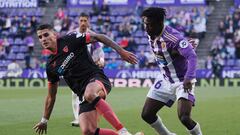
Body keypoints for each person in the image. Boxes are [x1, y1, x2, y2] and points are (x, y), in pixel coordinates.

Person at [33, 24, 143, 135]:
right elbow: (51, 96)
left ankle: (123, 131)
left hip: (96, 78)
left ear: (54, 34)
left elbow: (99, 37)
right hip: (82, 94)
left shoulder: (70, 39)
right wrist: (44, 120)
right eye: (40, 37)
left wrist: (120, 51)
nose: (43, 39)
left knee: (89, 94)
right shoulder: (50, 66)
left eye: (46, 35)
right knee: (88, 131)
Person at [140, 7, 203, 135]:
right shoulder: (151, 33)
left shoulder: (174, 38)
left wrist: (188, 78)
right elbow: (166, 51)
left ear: (160, 23)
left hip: (182, 81)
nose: (146, 28)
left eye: (149, 25)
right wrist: (175, 52)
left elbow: (192, 56)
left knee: (184, 117)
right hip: (165, 79)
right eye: (145, 24)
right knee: (147, 114)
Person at [70, 13, 105, 127]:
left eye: (85, 20)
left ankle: (90, 116)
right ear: (78, 21)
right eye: (81, 20)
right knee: (75, 95)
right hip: (76, 70)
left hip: (90, 70)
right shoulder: (72, 35)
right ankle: (78, 119)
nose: (83, 23)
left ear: (88, 22)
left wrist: (101, 60)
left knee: (89, 94)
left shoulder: (93, 36)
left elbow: (100, 52)